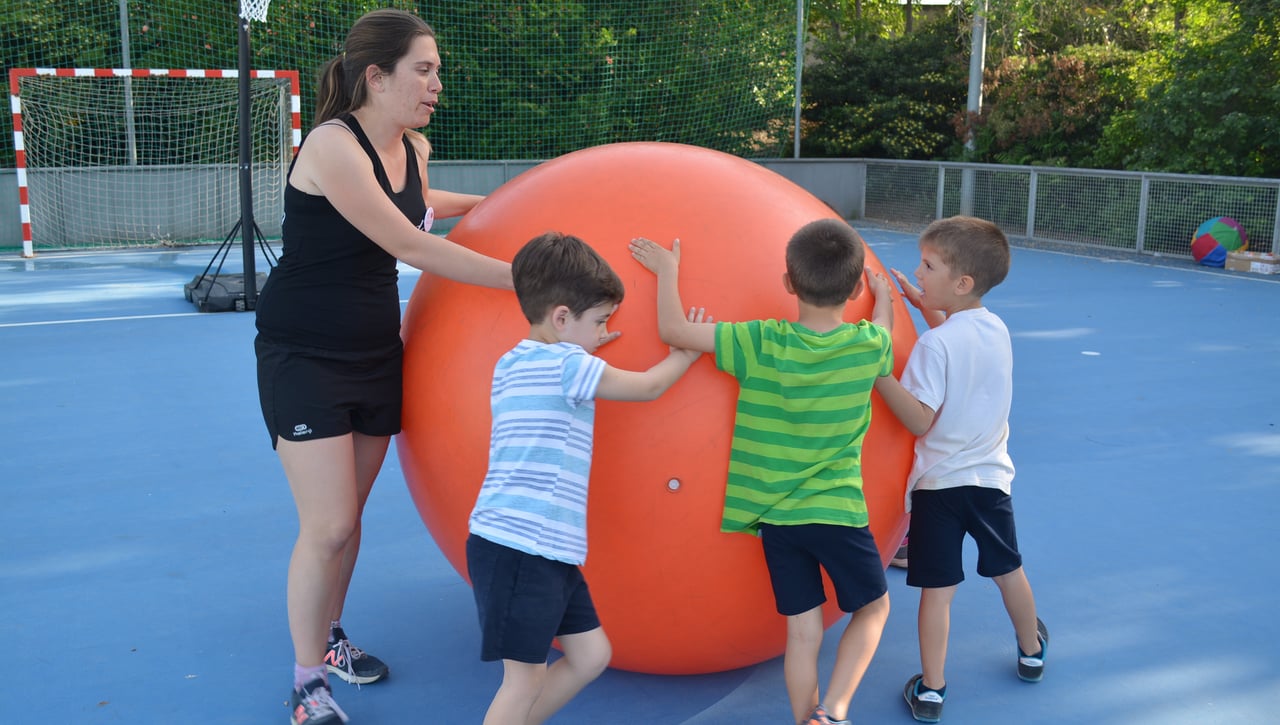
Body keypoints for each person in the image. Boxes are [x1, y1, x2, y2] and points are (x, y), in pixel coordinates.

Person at [253, 9, 515, 724]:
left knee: (352, 518)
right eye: (423, 70)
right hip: (303, 352)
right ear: (378, 75)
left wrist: (516, 201)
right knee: (329, 523)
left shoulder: (415, 147)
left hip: (375, 350)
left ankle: (329, 637)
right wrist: (525, 276)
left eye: (437, 71)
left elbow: (426, 205)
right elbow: (412, 243)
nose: (436, 84)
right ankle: (309, 684)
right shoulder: (333, 146)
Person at [629, 219, 895, 725]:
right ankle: (834, 709)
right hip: (837, 511)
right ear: (856, 286)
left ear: (788, 283)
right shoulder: (868, 347)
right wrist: (881, 299)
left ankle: (804, 720)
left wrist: (668, 272)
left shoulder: (760, 342)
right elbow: (885, 330)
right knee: (874, 609)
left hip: (775, 517)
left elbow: (674, 332)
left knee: (802, 630)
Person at [466, 231, 703, 725]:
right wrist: (686, 353)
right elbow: (648, 387)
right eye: (599, 321)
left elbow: (558, 376)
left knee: (591, 654)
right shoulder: (569, 365)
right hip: (522, 546)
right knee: (523, 679)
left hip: (540, 547)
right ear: (560, 318)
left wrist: (585, 345)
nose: (603, 331)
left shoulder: (513, 362)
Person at [868, 216, 1047, 723]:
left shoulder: (933, 346)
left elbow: (920, 418)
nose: (917, 273)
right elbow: (959, 344)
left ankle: (932, 688)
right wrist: (927, 307)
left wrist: (879, 372)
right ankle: (1031, 650)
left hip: (938, 488)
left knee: (937, 592)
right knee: (1008, 570)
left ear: (961, 283)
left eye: (928, 266)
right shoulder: (995, 329)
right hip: (989, 482)